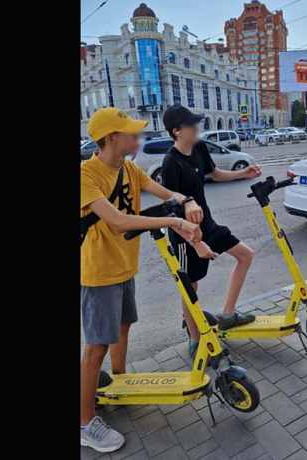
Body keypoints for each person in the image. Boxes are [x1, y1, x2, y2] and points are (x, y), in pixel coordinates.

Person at [80, 108, 205, 453]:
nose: (138, 139)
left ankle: (120, 383)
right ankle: (85, 422)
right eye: (132, 134)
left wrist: (187, 199)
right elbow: (118, 222)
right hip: (98, 273)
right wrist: (175, 223)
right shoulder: (86, 174)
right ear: (111, 138)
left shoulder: (130, 168)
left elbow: (164, 192)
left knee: (123, 328)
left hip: (124, 267)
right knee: (96, 347)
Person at [161, 105, 263, 357]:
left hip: (208, 225)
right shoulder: (171, 163)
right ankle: (195, 339)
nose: (198, 128)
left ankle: (227, 315)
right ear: (177, 131)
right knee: (190, 286)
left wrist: (243, 173)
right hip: (185, 236)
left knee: (245, 255)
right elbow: (172, 215)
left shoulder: (200, 147)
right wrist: (195, 243)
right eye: (192, 125)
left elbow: (215, 174)